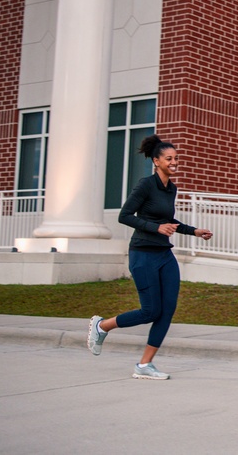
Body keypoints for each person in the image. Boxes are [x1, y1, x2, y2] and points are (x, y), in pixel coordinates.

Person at [86, 134, 212, 380]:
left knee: (167, 310)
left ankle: (144, 365)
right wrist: (156, 228)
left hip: (164, 254)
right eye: (169, 158)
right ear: (156, 161)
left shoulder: (170, 188)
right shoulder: (145, 184)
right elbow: (125, 216)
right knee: (150, 311)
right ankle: (102, 326)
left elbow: (168, 221)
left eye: (176, 158)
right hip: (142, 254)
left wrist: (194, 231)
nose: (174, 162)